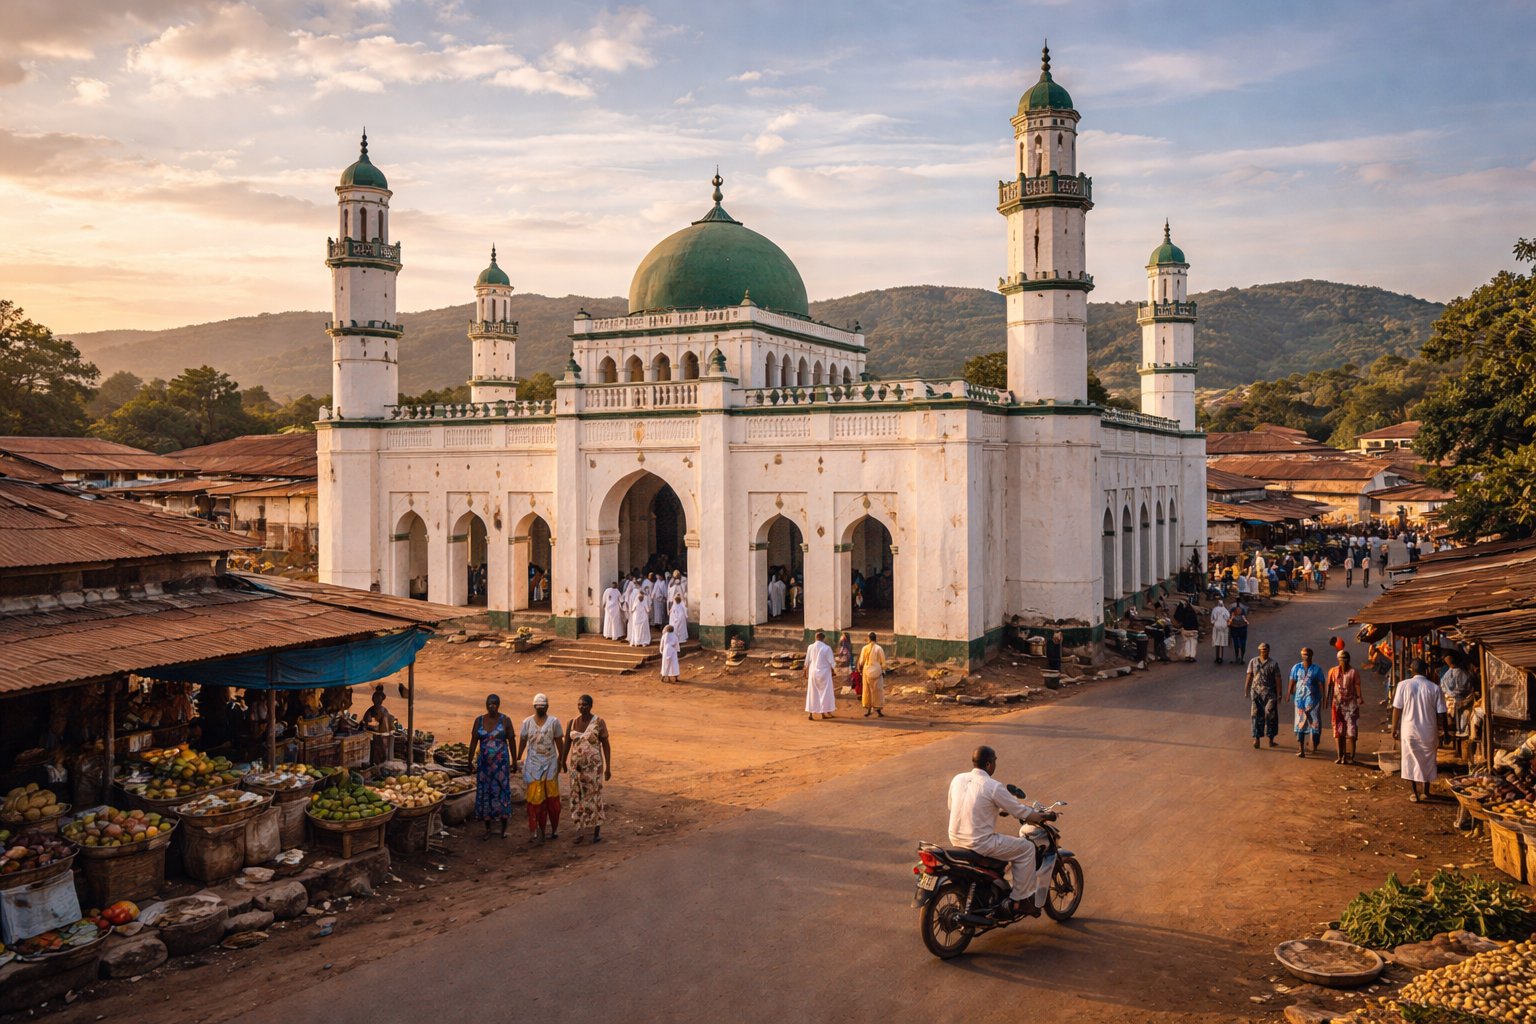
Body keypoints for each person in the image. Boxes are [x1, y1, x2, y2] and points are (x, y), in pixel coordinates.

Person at [948, 745, 1057, 920]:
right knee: (1027, 848)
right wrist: (1042, 816)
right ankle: (1020, 900)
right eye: (995, 760)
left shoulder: (958, 779)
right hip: (980, 842)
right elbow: (1021, 811)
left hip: (956, 839)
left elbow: (954, 806)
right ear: (989, 764)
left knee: (1005, 847)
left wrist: (994, 809)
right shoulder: (992, 786)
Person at [1393, 659, 1447, 803]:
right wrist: (1445, 732)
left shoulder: (1402, 685)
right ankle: (1426, 791)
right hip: (1429, 730)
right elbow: (1442, 713)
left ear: (1412, 670)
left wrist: (1394, 728)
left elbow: (1396, 709)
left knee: (1410, 760)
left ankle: (1414, 793)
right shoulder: (1435, 688)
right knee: (1428, 760)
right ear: (1426, 671)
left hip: (1408, 730)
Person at [467, 694, 515, 840]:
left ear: (499, 705)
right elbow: (473, 741)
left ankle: (503, 829)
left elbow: (512, 741)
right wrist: (469, 761)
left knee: (502, 793)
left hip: (500, 767)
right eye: (489, 704)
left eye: (494, 704)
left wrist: (515, 761)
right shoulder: (479, 721)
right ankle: (488, 829)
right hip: (484, 767)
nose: (491, 706)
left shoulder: (505, 720)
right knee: (485, 793)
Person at [517, 694, 565, 841]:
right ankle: (537, 829)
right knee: (535, 799)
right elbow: (523, 741)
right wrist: (518, 758)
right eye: (538, 707)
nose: (540, 709)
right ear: (534, 707)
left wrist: (561, 761)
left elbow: (559, 743)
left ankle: (554, 829)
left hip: (550, 764)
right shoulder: (527, 723)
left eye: (543, 707)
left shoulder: (554, 722)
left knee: (552, 800)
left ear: (547, 707)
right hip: (533, 765)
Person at [564, 694, 611, 844]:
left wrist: (608, 767)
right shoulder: (572, 722)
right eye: (579, 704)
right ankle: (580, 830)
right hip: (576, 769)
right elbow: (566, 744)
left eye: (584, 705)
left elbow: (605, 745)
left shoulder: (598, 722)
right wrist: (562, 761)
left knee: (594, 796)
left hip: (593, 769)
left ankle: (596, 831)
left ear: (590, 706)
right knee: (576, 797)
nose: (581, 707)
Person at [1327, 650, 1363, 765]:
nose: (1344, 661)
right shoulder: (1333, 671)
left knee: (1351, 732)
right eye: (1342, 659)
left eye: (1346, 659)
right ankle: (1340, 756)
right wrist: (1327, 700)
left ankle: (1351, 757)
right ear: (1338, 659)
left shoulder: (1353, 672)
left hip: (1351, 706)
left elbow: (1357, 685)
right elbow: (1330, 686)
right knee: (1338, 731)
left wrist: (1359, 697)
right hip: (1337, 706)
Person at [1288, 647, 1324, 757]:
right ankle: (1301, 749)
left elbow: (1321, 684)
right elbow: (1292, 681)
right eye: (1304, 654)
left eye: (1308, 654)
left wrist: (1324, 697)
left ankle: (1314, 743)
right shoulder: (1296, 668)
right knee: (1300, 722)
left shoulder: (1317, 669)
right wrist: (1288, 693)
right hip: (1299, 700)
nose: (1306, 657)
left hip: (1313, 700)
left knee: (1314, 722)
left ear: (1312, 655)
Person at [1245, 642, 1281, 749]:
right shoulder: (1253, 661)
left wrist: (1279, 693)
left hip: (1270, 693)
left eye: (1265, 649)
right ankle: (1256, 738)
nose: (1263, 651)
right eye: (1262, 649)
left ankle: (1271, 739)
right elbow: (1249, 675)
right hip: (1256, 692)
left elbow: (1278, 679)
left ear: (1269, 651)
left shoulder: (1273, 664)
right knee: (1256, 715)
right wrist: (1246, 689)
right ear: (1259, 650)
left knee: (1271, 715)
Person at [1438, 653, 1473, 745]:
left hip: (1449, 703)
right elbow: (1469, 688)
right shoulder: (1464, 674)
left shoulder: (1444, 675)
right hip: (1461, 702)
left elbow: (1442, 689)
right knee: (1463, 723)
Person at [805, 629, 837, 720]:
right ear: (823, 639)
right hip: (824, 673)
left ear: (815, 638)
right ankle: (823, 713)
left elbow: (807, 661)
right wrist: (834, 670)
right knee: (825, 693)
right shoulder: (827, 648)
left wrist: (805, 672)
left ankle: (810, 714)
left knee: (812, 692)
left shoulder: (810, 647)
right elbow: (832, 662)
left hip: (813, 672)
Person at [857, 631, 887, 718]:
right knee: (877, 690)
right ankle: (878, 710)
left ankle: (868, 709)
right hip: (877, 671)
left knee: (867, 690)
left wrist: (860, 669)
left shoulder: (864, 648)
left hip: (866, 671)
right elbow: (883, 663)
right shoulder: (879, 648)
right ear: (875, 638)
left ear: (869, 639)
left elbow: (861, 661)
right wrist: (883, 671)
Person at [626, 582, 651, 647]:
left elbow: (648, 609)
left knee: (643, 629)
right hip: (636, 617)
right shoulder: (635, 599)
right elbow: (632, 609)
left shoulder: (645, 598)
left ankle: (644, 641)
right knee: (636, 629)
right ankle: (637, 641)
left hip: (643, 617)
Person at [1209, 600, 1231, 665]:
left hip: (1216, 627)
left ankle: (1217, 657)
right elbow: (1228, 618)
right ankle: (1221, 657)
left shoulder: (1215, 609)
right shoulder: (1225, 610)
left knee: (1217, 643)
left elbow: (1212, 619)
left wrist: (1213, 623)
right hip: (1224, 628)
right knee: (1222, 643)